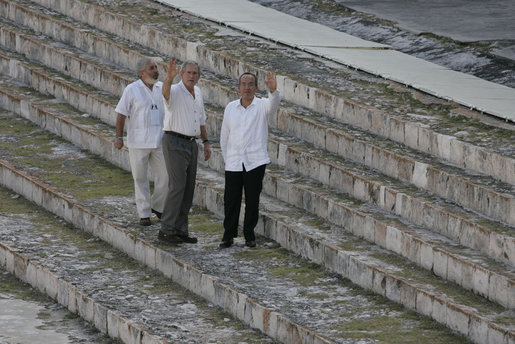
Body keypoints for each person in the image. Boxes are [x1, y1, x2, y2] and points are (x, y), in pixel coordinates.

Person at [219, 71, 281, 248]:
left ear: (256, 87)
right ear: (238, 87)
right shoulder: (230, 107)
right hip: (234, 161)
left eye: (250, 84)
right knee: (231, 200)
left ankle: (249, 234)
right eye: (244, 84)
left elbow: (274, 104)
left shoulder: (262, 105)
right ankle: (228, 234)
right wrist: (228, 158)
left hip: (255, 160)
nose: (247, 88)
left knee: (252, 200)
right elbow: (225, 136)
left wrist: (274, 90)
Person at [159, 59, 211, 244]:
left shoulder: (197, 92)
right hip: (174, 141)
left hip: (192, 143)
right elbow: (165, 94)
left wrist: (205, 142)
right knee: (177, 186)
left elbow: (201, 119)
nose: (191, 76)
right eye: (188, 73)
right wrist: (168, 79)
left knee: (188, 189)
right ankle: (166, 229)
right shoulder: (174, 90)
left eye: (195, 73)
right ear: (181, 74)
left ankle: (180, 229)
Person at [114, 57, 168, 226]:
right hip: (138, 141)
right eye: (151, 68)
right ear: (142, 73)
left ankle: (159, 206)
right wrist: (118, 137)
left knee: (165, 177)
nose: (155, 71)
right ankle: (144, 212)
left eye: (156, 68)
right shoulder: (132, 89)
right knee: (140, 178)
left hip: (159, 140)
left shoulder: (161, 88)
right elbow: (121, 114)